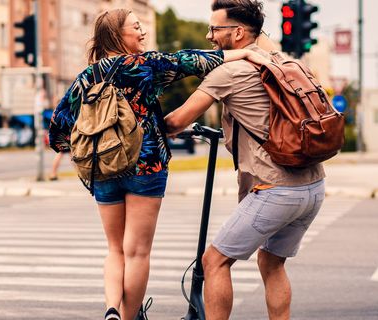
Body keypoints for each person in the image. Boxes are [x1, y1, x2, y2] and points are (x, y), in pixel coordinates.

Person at [48, 8, 270, 320]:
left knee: (115, 249)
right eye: (135, 27)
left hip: (103, 171)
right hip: (146, 166)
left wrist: (93, 148)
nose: (142, 32)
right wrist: (247, 53)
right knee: (137, 252)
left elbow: (58, 131)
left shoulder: (87, 77)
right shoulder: (147, 65)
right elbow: (193, 60)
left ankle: (111, 308)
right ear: (118, 35)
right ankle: (129, 318)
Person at [164, 1, 326, 319]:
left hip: (276, 189)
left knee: (214, 262)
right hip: (312, 186)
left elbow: (175, 122)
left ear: (238, 33)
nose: (209, 36)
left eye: (215, 29)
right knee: (271, 262)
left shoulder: (230, 71)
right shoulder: (280, 61)